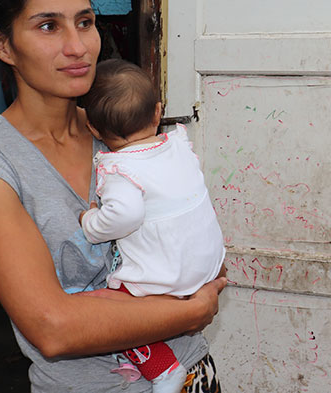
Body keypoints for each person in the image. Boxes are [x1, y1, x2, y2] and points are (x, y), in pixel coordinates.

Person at [0, 0, 227, 392]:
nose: (77, 46)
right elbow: (54, 328)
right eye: (48, 26)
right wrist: (191, 310)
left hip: (191, 375)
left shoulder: (116, 129)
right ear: (2, 44)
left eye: (86, 22)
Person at [79, 59, 226, 392]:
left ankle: (162, 368)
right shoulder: (178, 146)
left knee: (109, 313)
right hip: (208, 268)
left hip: (169, 279)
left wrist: (90, 222)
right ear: (158, 112)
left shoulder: (121, 169)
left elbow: (125, 215)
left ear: (94, 130)